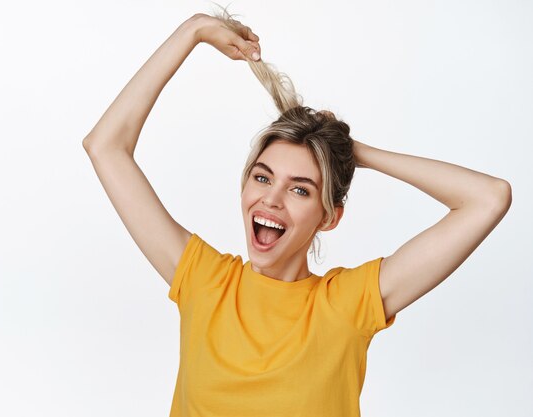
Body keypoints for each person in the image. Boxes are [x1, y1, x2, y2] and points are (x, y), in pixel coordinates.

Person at [82, 6, 512, 417]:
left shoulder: (348, 304)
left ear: (329, 217)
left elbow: (488, 197)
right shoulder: (202, 280)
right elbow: (105, 146)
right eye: (263, 177)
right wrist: (192, 30)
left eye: (300, 190)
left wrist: (356, 152)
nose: (271, 199)